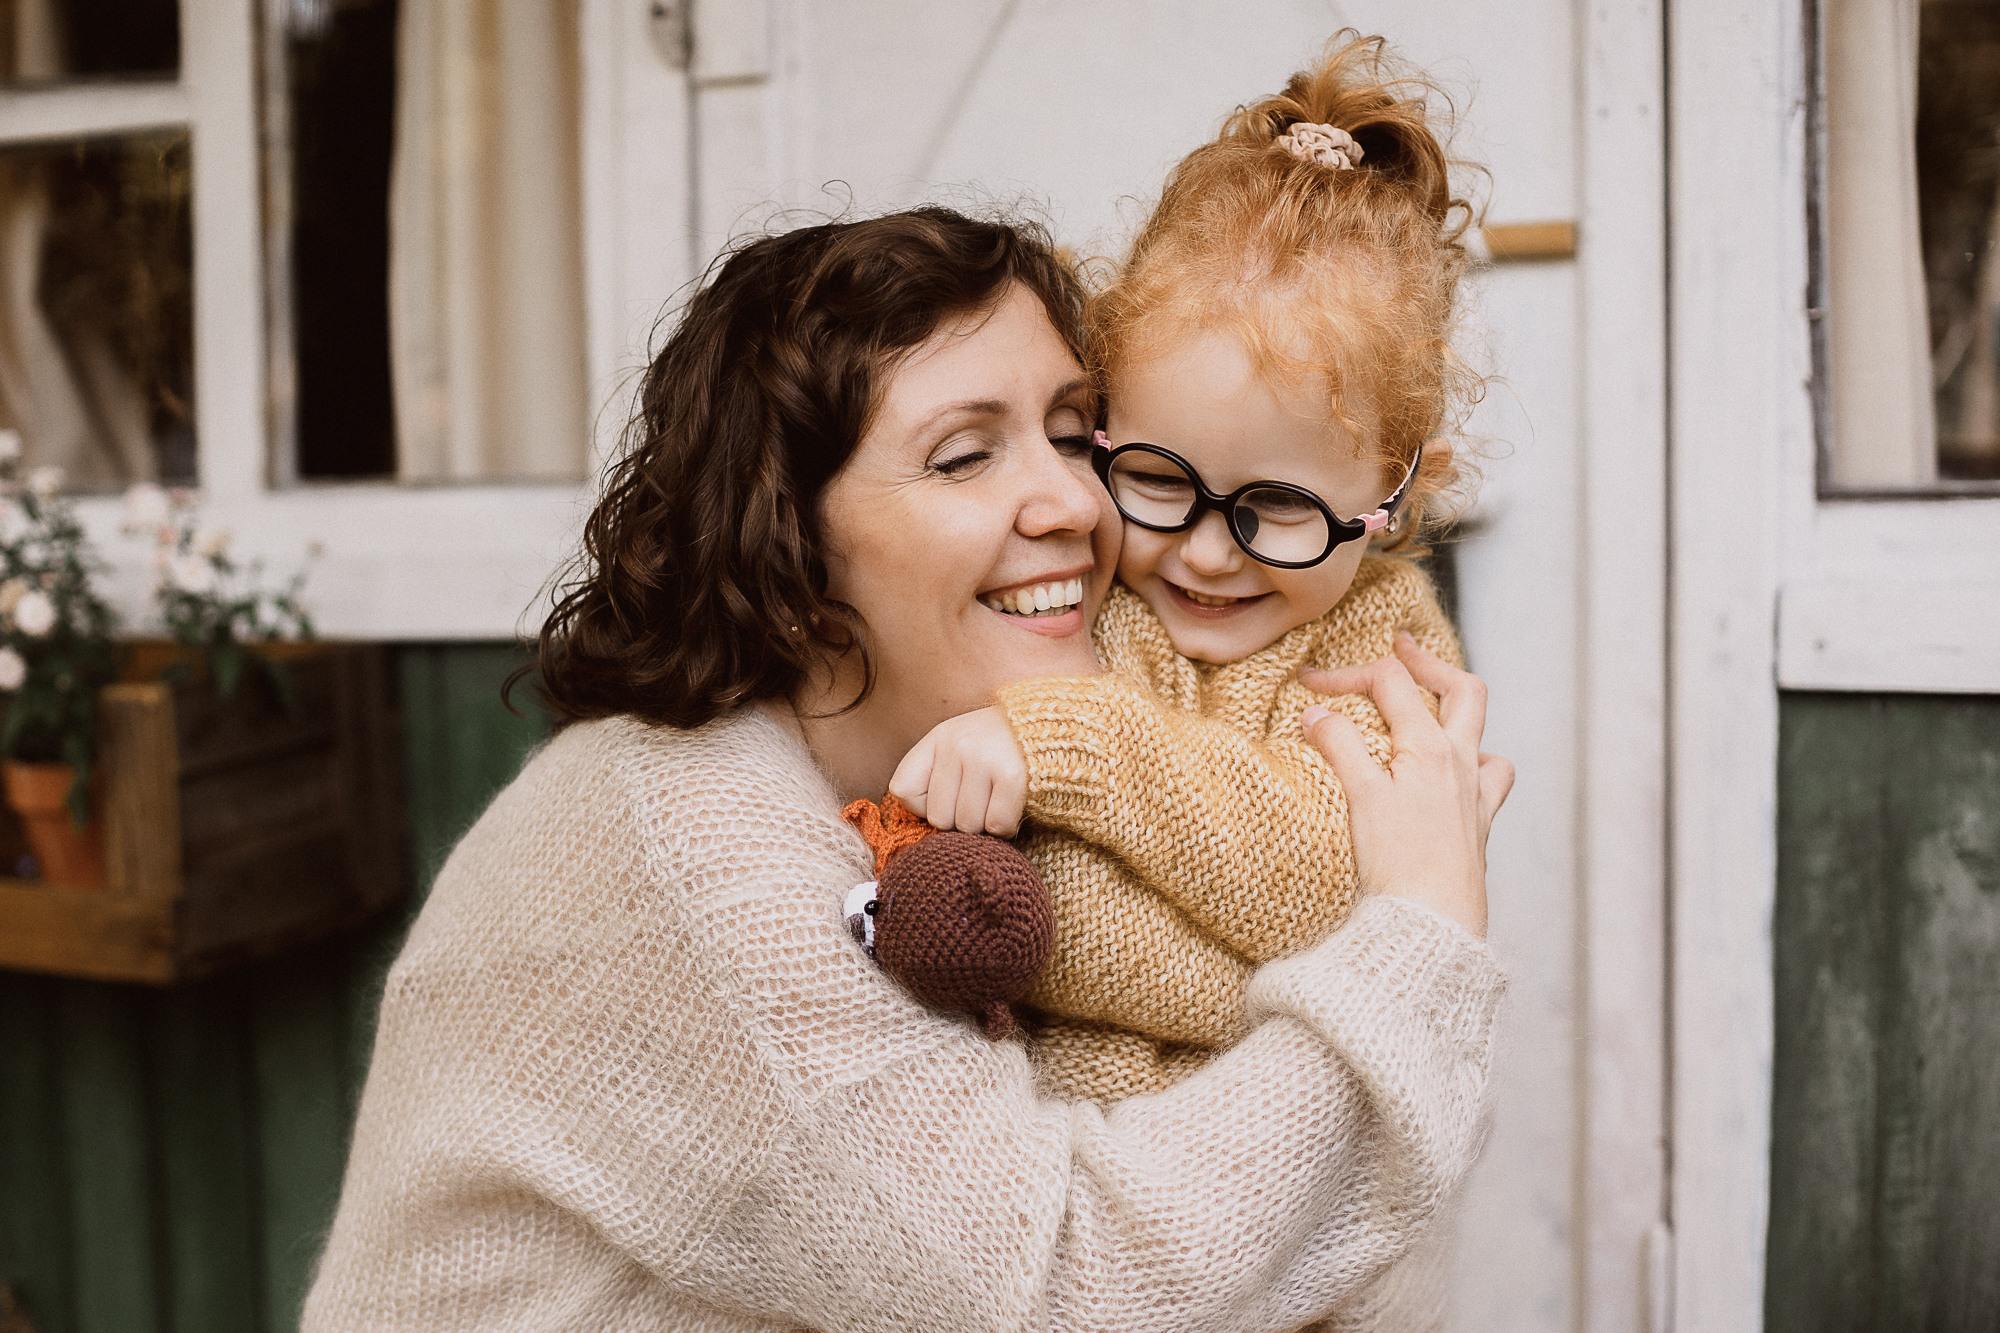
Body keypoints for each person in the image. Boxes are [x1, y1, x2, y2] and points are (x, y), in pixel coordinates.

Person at [302, 206, 1512, 1332]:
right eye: (960, 458)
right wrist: (1414, 928)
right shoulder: (689, 845)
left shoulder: (939, 784)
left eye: (1071, 431)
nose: (1070, 502)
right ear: (788, 544)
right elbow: (1062, 1286)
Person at [882, 36, 1481, 1104]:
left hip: (1273, 1196)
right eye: (1158, 479)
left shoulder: (1383, 657)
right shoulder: (1070, 596)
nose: (1207, 552)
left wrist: (1067, 745)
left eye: (1279, 508)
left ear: (1393, 496)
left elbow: (1318, 886)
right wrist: (1268, 977)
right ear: (1103, 425)